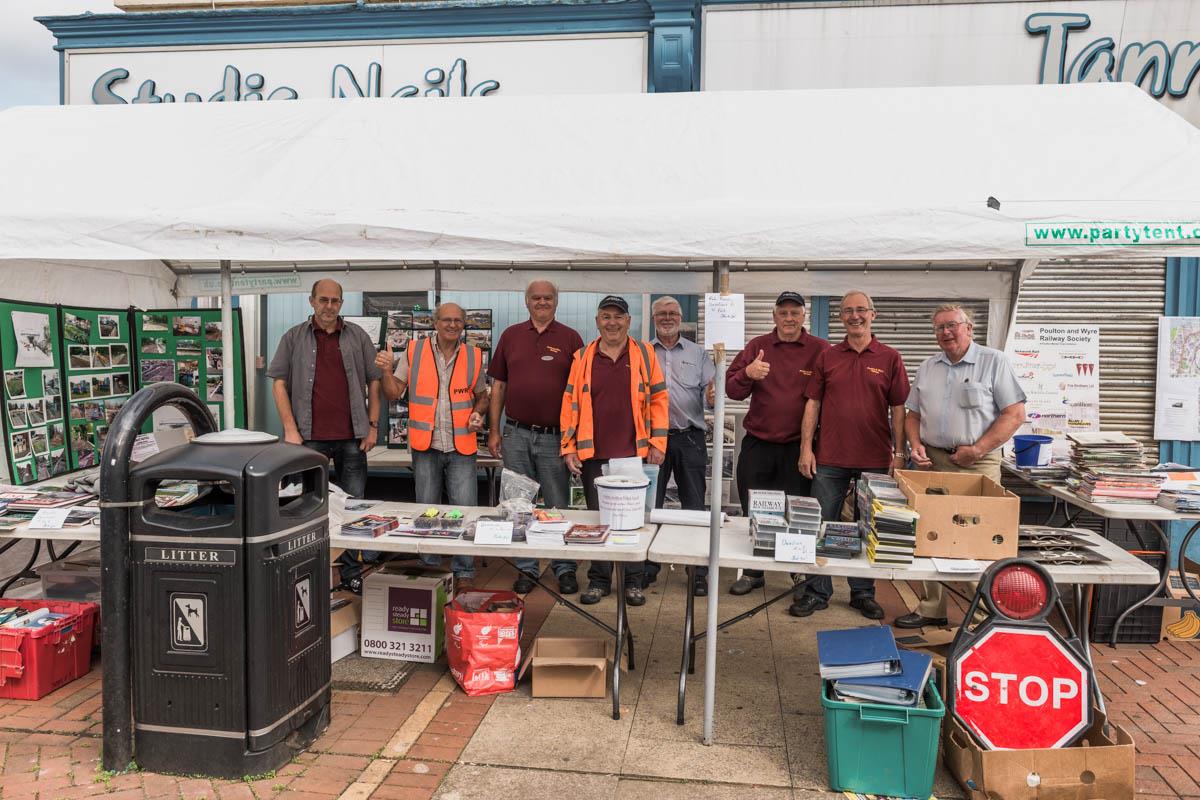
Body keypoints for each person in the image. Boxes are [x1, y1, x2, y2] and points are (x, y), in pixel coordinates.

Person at [896, 303, 1026, 628]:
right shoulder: (928, 367)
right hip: (933, 462)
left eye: (952, 325)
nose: (946, 333)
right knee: (928, 534)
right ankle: (931, 608)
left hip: (976, 465)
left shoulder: (993, 362)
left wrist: (979, 449)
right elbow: (913, 415)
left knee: (976, 539)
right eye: (939, 328)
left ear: (969, 328)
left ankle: (984, 618)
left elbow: (1015, 414)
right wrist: (916, 444)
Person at [793, 291, 909, 619]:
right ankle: (818, 591)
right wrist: (806, 448)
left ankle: (862, 592)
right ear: (841, 317)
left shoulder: (890, 357)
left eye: (860, 310)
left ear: (873, 315)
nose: (854, 316)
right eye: (847, 311)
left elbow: (899, 408)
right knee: (821, 523)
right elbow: (812, 403)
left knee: (867, 525)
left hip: (874, 458)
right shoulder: (828, 356)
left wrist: (899, 452)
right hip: (830, 457)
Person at [561, 295, 669, 607]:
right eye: (606, 316)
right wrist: (569, 448)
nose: (612, 322)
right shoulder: (582, 356)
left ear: (628, 321)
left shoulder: (645, 354)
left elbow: (660, 400)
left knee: (633, 519)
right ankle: (599, 580)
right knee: (598, 520)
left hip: (633, 453)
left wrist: (658, 444)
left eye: (618, 316)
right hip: (593, 454)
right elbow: (570, 404)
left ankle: (633, 582)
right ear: (597, 322)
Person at [377, 303, 489, 586]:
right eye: (446, 320)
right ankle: (429, 569)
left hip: (461, 444)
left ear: (464, 325)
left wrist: (479, 412)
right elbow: (393, 393)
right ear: (434, 323)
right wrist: (387, 371)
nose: (452, 325)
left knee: (464, 510)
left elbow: (482, 395)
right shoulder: (414, 351)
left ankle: (464, 570)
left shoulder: (474, 356)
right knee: (427, 510)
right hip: (425, 444)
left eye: (458, 321)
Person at [726, 291, 830, 595]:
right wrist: (748, 373)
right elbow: (732, 390)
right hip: (759, 444)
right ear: (774, 316)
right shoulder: (758, 346)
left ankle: (796, 572)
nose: (789, 318)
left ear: (804, 316)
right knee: (754, 509)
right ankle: (754, 572)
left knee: (797, 514)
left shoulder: (821, 350)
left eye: (794, 312)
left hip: (799, 448)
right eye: (783, 312)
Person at [488, 280, 584, 595]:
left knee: (557, 504)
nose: (542, 302)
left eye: (548, 298)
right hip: (515, 433)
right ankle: (526, 569)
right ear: (526, 302)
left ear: (556, 302)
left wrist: (575, 438)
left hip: (555, 438)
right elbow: (498, 386)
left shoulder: (571, 338)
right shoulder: (511, 336)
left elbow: (580, 393)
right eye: (536, 298)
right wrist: (493, 430)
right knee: (518, 504)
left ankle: (564, 568)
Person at [268, 278, 381, 497]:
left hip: (353, 440)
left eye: (335, 301)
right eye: (323, 300)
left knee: (354, 507)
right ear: (311, 301)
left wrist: (373, 427)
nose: (329, 306)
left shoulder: (358, 336)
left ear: (341, 303)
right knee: (304, 505)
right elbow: (278, 384)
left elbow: (374, 380)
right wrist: (290, 429)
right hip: (306, 438)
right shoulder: (292, 337)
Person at [647, 296, 715, 596]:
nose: (667, 317)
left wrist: (713, 396)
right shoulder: (642, 353)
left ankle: (697, 572)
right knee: (650, 505)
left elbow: (710, 395)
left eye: (672, 313)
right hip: (651, 440)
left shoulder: (699, 354)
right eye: (661, 313)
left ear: (681, 317)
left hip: (689, 436)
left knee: (695, 507)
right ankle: (646, 568)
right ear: (653, 318)